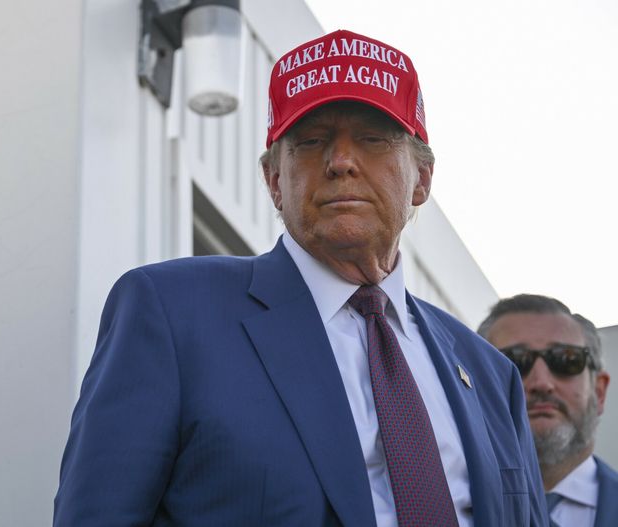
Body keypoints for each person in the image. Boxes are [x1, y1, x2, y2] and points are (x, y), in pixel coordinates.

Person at [55, 29, 545, 526]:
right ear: (273, 181)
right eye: (311, 142)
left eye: (373, 139)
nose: (341, 162)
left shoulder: (489, 374)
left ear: (421, 179)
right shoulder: (173, 313)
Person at [478, 294, 617, 527]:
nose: (541, 383)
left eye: (565, 359)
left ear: (599, 391)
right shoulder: (442, 502)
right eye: (513, 363)